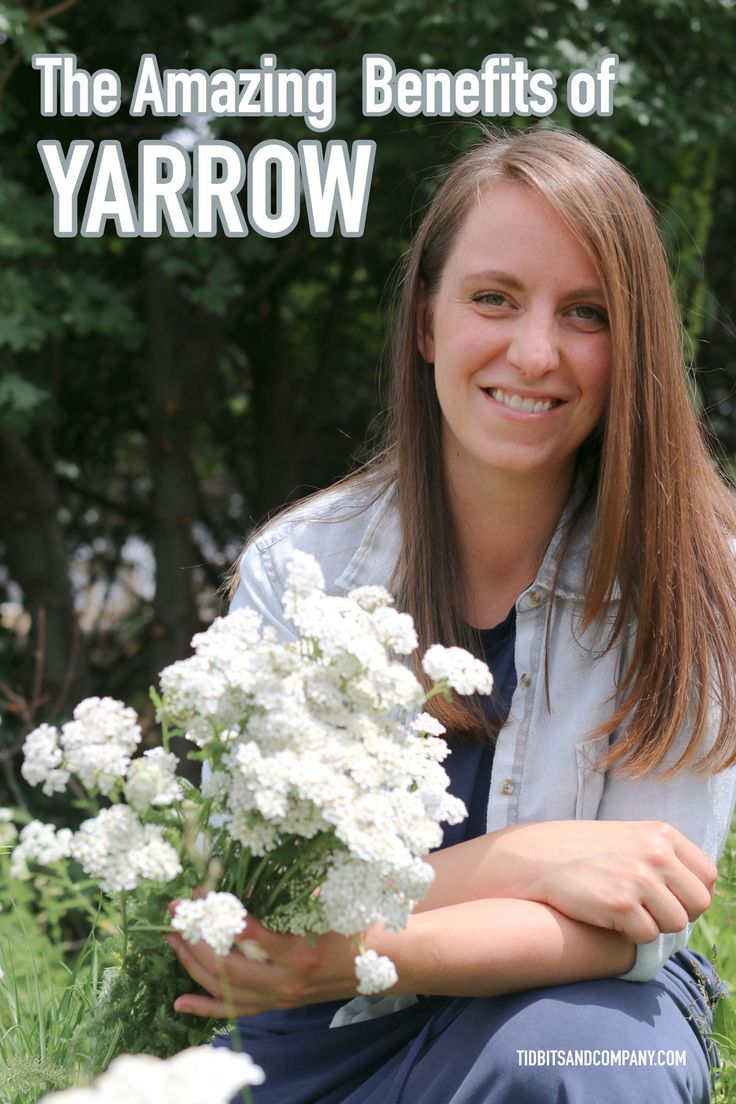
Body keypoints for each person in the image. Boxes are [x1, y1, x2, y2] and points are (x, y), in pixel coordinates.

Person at [165, 126, 736, 1103]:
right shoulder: (301, 566)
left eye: (587, 312)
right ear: (427, 324)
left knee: (561, 1064)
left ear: (632, 342)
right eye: (492, 298)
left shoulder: (704, 576)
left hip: (589, 1003)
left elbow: (638, 920)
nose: (534, 350)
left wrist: (354, 944)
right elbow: (248, 912)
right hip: (323, 1022)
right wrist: (524, 858)